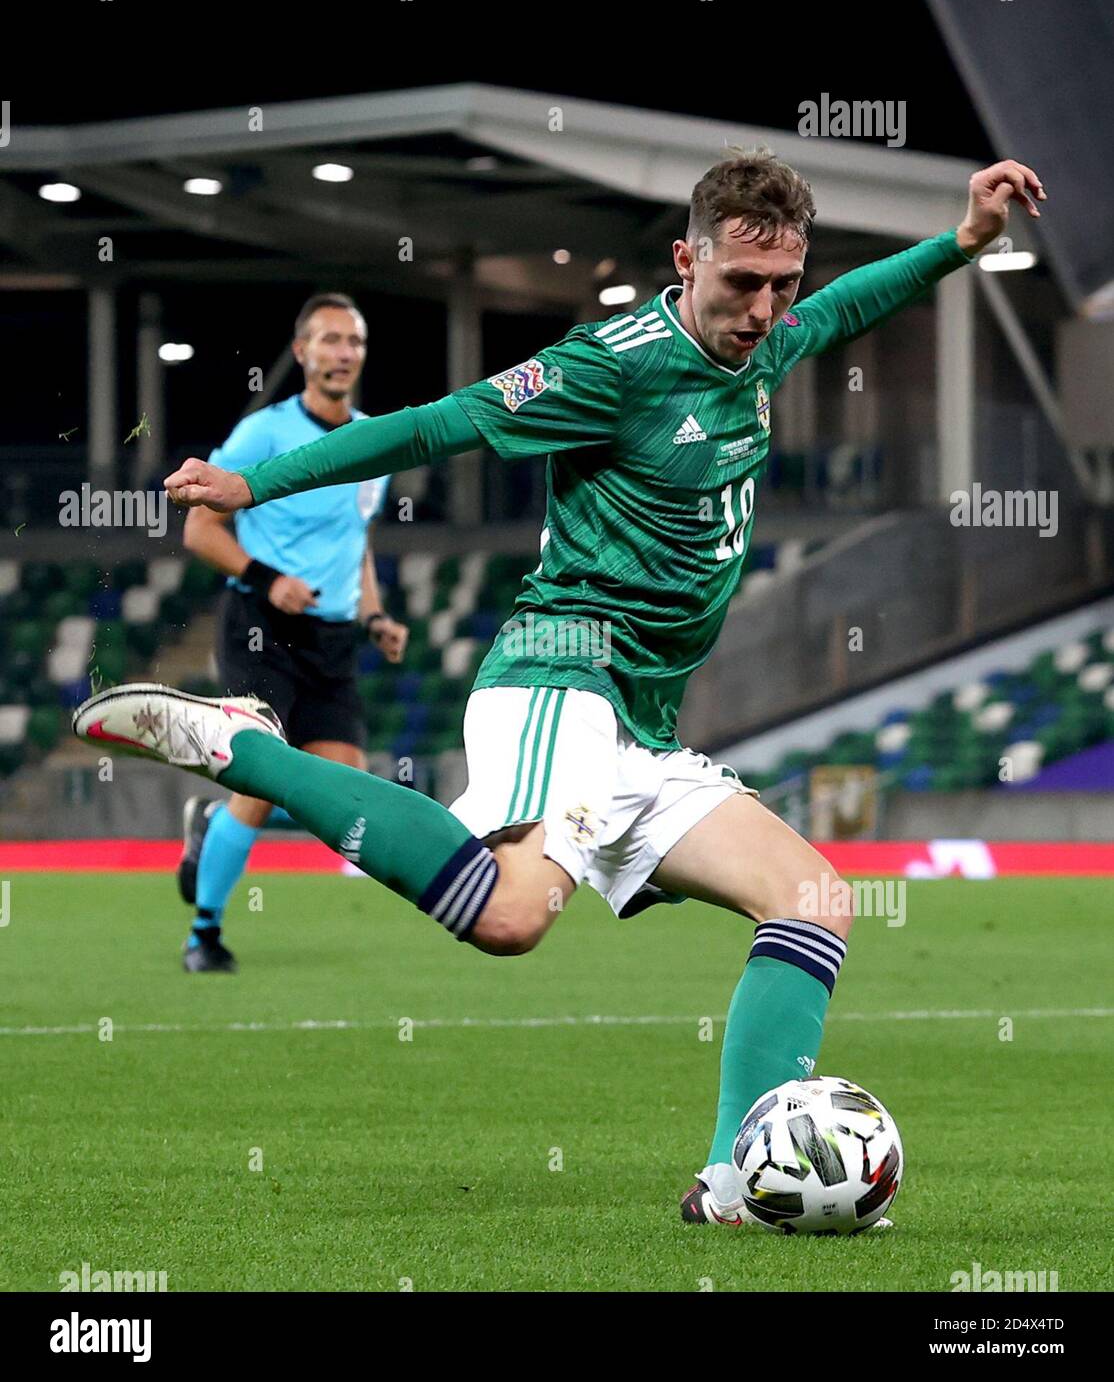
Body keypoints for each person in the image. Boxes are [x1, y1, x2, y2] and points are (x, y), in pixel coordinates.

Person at [75, 151, 1043, 1223]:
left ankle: (730, 1184)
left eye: (784, 285)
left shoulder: (763, 343)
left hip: (641, 718)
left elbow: (851, 305)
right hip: (559, 666)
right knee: (508, 918)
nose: (766, 310)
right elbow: (439, 424)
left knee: (812, 897)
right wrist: (256, 479)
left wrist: (961, 242)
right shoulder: (606, 365)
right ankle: (242, 748)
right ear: (685, 260)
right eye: (742, 285)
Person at [175, 293, 407, 972]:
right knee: (264, 777)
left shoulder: (372, 439)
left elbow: (356, 542)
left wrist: (374, 616)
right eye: (328, 340)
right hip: (261, 626)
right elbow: (199, 526)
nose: (342, 353)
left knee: (342, 792)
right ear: (302, 352)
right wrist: (266, 575)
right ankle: (205, 935)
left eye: (353, 342)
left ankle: (209, 829)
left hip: (332, 637)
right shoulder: (262, 435)